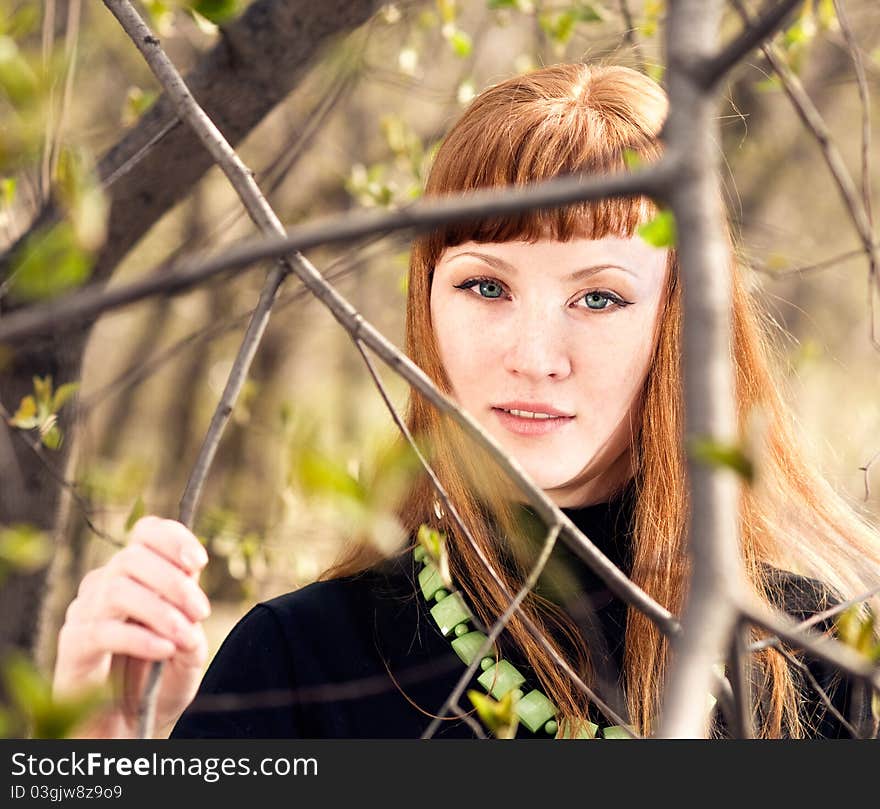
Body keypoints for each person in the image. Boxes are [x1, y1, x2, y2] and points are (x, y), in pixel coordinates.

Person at [52, 62, 880, 740]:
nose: (533, 357)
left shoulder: (816, 661)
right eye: (485, 285)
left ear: (683, 323)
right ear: (426, 305)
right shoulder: (299, 664)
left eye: (598, 297)